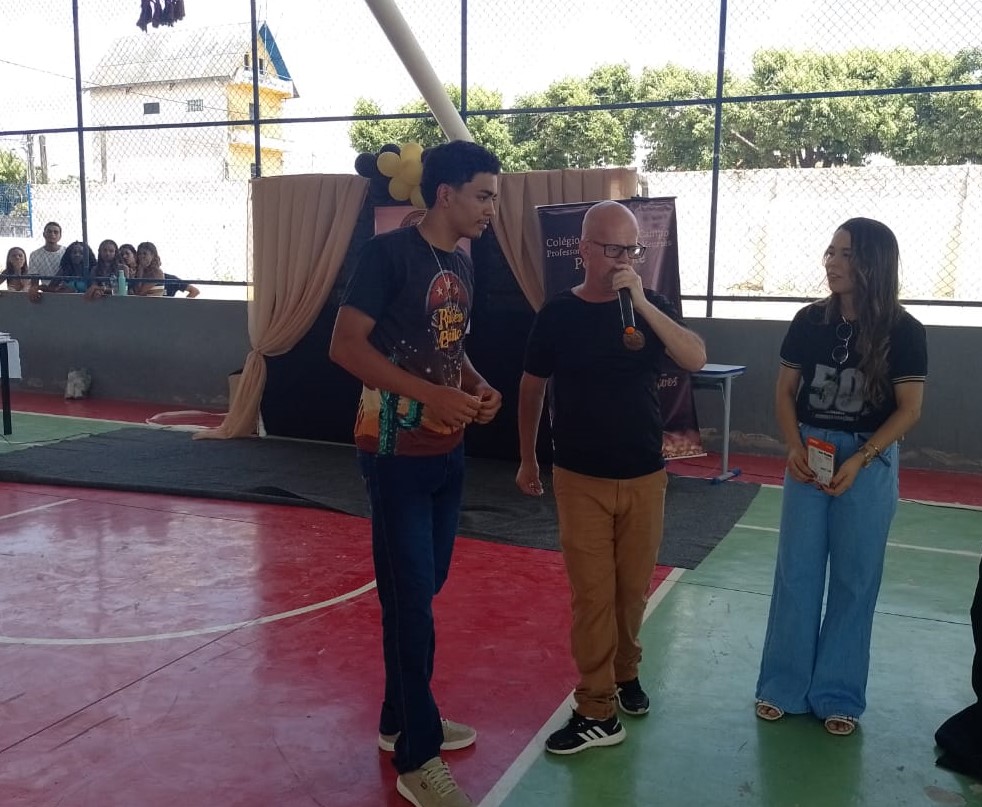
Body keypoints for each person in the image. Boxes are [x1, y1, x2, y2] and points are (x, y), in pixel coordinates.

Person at [329, 139, 502, 807]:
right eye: (483, 195)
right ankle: (417, 754)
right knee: (410, 603)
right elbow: (345, 347)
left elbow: (449, 346)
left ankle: (399, 716)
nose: (491, 209)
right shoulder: (387, 255)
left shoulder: (460, 262)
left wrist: (475, 385)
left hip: (445, 450)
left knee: (424, 586)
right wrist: (430, 395)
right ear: (446, 194)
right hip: (393, 449)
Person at [515, 200, 707, 755]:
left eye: (632, 250)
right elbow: (532, 387)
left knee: (631, 592)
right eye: (612, 249)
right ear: (582, 250)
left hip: (644, 476)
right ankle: (596, 708)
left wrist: (642, 302)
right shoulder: (558, 313)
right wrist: (527, 458)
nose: (624, 259)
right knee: (593, 596)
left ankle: (626, 673)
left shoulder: (649, 306)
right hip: (580, 477)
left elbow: (694, 357)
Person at [754, 217, 927, 736]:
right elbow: (785, 392)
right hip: (810, 453)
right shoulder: (809, 321)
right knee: (797, 573)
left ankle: (838, 694)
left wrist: (862, 457)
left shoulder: (905, 331)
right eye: (830, 252)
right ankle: (782, 686)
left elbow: (909, 409)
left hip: (869, 461)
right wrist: (794, 446)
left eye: (845, 254)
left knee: (856, 580)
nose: (832, 262)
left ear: (874, 262)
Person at [28, 221, 66, 301]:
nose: (52, 234)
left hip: (64, 290)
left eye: (56, 232)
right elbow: (34, 280)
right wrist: (34, 289)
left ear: (60, 236)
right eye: (49, 231)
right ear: (44, 234)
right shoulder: (35, 254)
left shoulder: (66, 252)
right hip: (45, 292)